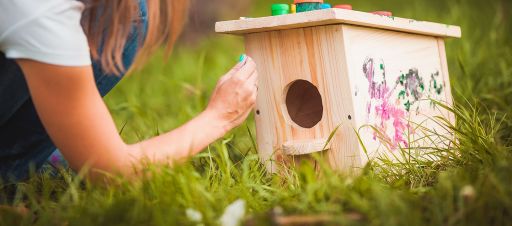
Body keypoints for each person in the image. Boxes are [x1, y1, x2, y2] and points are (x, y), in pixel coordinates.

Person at [0, 0, 258, 182]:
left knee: (128, 11)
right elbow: (112, 173)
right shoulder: (40, 10)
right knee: (125, 15)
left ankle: (36, 159)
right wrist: (218, 118)